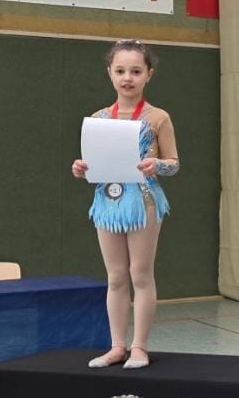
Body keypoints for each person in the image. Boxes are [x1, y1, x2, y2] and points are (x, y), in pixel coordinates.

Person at [71, 39, 180, 369]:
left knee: (140, 274)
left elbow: (173, 163)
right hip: (108, 202)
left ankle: (139, 347)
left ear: (149, 74)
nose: (127, 78)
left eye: (135, 71)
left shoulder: (158, 117)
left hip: (143, 201)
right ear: (110, 73)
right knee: (116, 276)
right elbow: (92, 164)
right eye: (120, 71)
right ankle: (117, 346)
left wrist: (156, 165)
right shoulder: (99, 118)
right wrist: (80, 168)